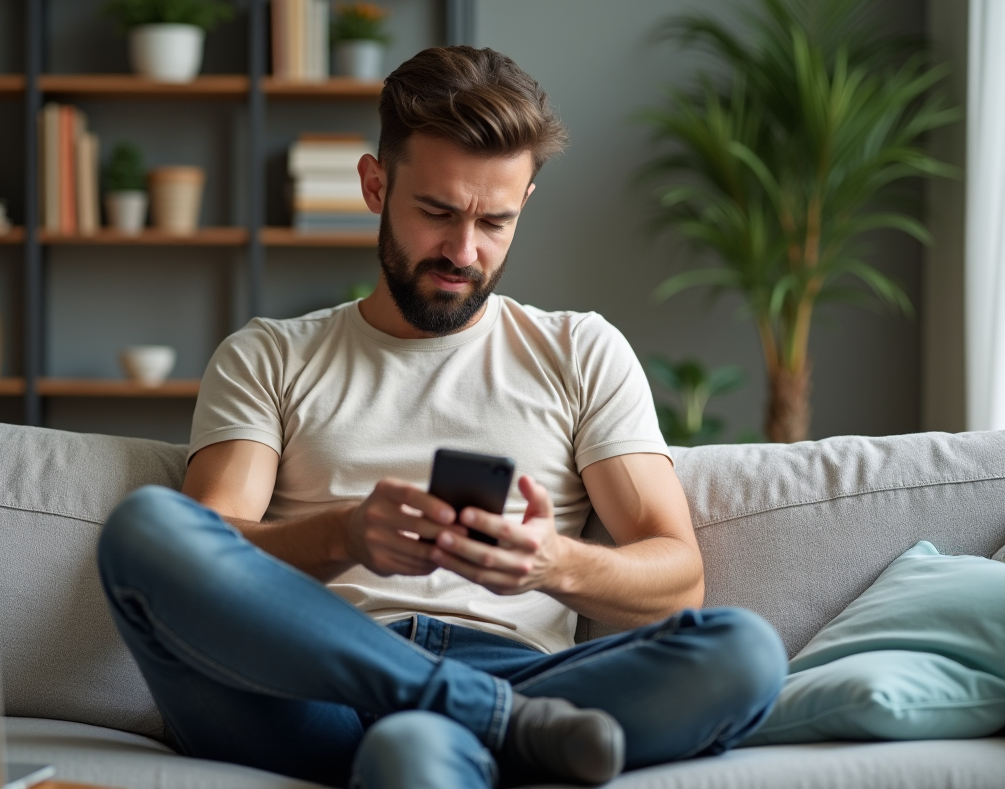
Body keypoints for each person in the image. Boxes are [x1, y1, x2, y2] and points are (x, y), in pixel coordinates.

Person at [97, 45, 787, 789]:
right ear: (374, 184)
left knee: (744, 650)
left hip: (523, 677)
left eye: (495, 221)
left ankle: (464, 721)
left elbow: (676, 576)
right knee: (145, 531)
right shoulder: (269, 355)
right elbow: (206, 553)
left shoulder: (578, 350)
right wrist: (346, 534)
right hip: (312, 688)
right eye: (437, 212)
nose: (465, 251)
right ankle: (490, 722)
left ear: (526, 203)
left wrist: (551, 561)